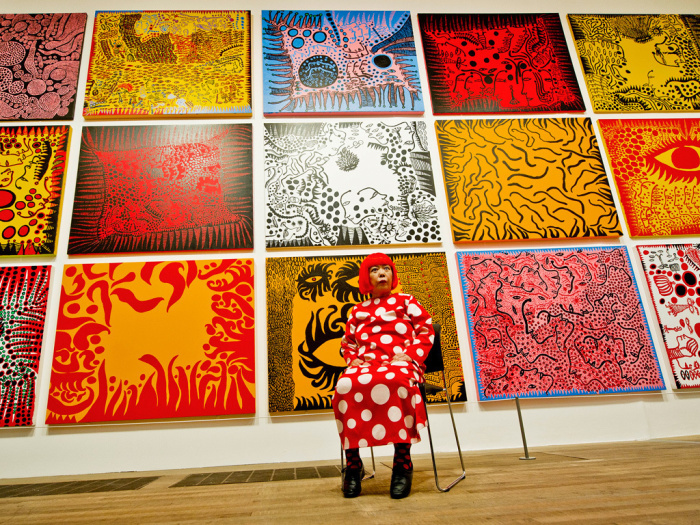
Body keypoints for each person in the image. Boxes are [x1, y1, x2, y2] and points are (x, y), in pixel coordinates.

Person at [332, 252, 435, 499]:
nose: (382, 273)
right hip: (367, 364)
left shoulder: (406, 301)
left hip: (400, 362)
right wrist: (352, 359)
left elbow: (425, 330)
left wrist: (410, 355)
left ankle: (403, 462)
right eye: (375, 269)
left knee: (396, 380)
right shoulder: (357, 310)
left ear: (392, 275)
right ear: (366, 278)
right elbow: (348, 343)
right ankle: (353, 465)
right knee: (345, 385)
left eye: (386, 268)